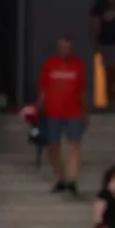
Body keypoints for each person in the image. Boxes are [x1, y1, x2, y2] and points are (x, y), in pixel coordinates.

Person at [38, 35, 87, 195]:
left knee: (74, 145)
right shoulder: (49, 64)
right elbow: (43, 88)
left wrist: (85, 113)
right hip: (53, 112)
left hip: (73, 112)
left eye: (67, 47)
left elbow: (82, 91)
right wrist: (40, 106)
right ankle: (61, 178)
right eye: (61, 47)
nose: (64, 50)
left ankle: (72, 180)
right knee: (53, 147)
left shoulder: (78, 65)